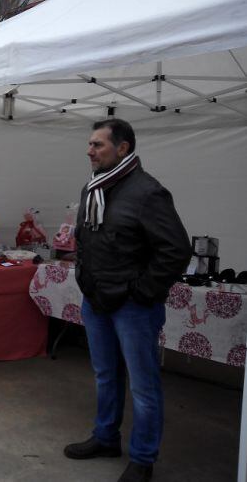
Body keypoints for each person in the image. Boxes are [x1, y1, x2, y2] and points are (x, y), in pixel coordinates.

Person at [64, 119, 191, 482]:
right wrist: (85, 278)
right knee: (106, 375)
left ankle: (143, 458)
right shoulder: (93, 189)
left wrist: (142, 292)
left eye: (98, 145)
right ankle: (105, 438)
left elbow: (175, 250)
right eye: (89, 144)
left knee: (143, 385)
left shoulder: (148, 192)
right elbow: (87, 239)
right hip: (97, 299)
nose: (90, 151)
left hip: (133, 306)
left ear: (123, 148)